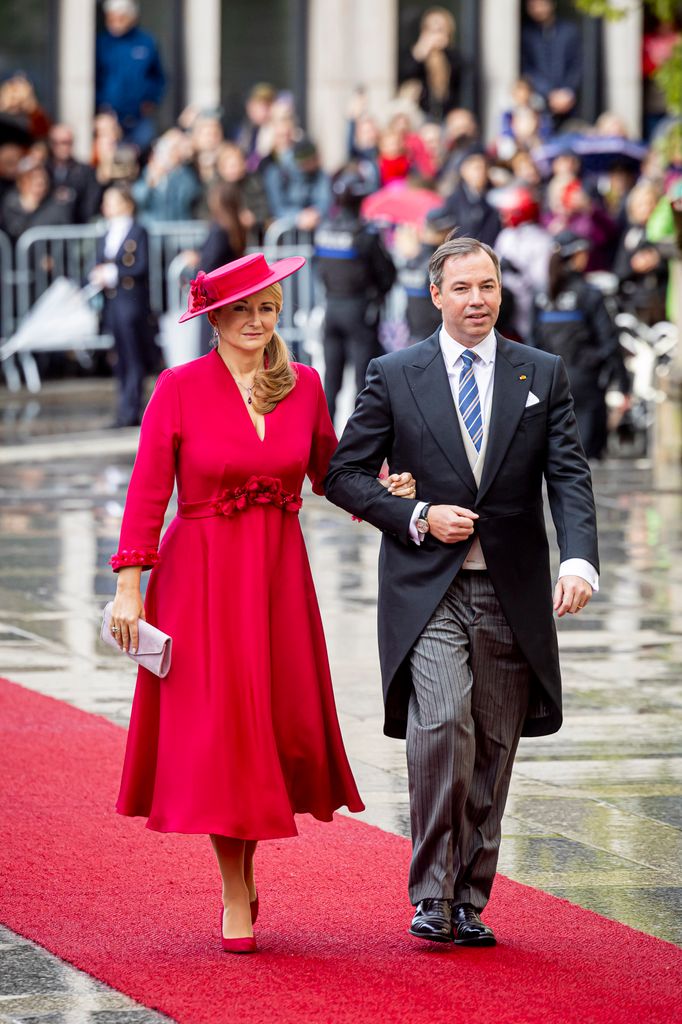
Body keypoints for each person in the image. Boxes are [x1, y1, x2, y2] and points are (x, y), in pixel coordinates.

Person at [107, 252, 417, 953]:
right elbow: (148, 491)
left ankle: (244, 871)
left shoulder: (303, 385)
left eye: (267, 309)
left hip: (278, 576)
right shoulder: (178, 387)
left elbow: (333, 473)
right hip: (200, 579)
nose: (255, 322)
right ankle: (233, 888)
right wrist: (130, 585)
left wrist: (384, 494)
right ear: (214, 317)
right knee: (223, 735)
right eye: (241, 310)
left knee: (267, 728)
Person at [325, 234, 599, 947]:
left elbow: (567, 475)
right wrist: (414, 514)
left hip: (512, 590)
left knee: (494, 747)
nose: (478, 301)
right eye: (464, 289)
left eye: (489, 287)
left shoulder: (540, 372)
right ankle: (430, 892)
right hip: (429, 590)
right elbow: (343, 474)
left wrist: (579, 562)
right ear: (436, 296)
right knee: (444, 725)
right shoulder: (396, 372)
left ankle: (468, 899)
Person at [531, 230, 631, 460]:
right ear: (577, 256)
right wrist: (623, 385)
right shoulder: (589, 294)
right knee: (588, 459)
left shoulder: (542, 296)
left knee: (558, 458)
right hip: (587, 383)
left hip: (551, 383)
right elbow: (610, 343)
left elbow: (533, 344)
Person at [314, 165, 396, 423]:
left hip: (332, 307)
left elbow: (319, 270)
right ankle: (357, 446)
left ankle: (322, 449)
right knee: (363, 381)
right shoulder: (365, 234)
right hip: (359, 310)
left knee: (332, 379)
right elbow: (387, 274)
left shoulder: (324, 229)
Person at [89, 184, 156, 427]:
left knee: (133, 354)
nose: (106, 206)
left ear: (126, 204)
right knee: (119, 356)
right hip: (113, 302)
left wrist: (114, 272)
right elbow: (98, 261)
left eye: (112, 201)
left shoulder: (138, 231)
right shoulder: (107, 232)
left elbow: (141, 266)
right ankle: (123, 408)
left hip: (131, 300)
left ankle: (132, 409)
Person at [96, 0, 166, 151]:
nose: (115, 23)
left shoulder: (146, 42)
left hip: (138, 116)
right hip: (111, 116)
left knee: (143, 149)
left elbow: (158, 77)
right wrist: (101, 106)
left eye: (120, 18)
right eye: (111, 18)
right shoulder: (102, 43)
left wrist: (152, 100)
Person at [521, 0, 582, 125]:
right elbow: (527, 67)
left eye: (541, 4)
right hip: (539, 101)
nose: (538, 9)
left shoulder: (569, 31)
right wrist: (549, 93)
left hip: (569, 103)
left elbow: (577, 65)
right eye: (533, 6)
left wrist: (567, 91)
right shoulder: (526, 34)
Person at [399, 6, 462, 120]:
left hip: (446, 116)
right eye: (432, 30)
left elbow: (460, 86)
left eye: (440, 30)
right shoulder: (415, 55)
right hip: (418, 116)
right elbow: (406, 76)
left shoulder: (454, 57)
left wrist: (444, 52)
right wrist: (421, 51)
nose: (436, 35)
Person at [46, 123, 102, 224]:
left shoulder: (86, 171)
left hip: (76, 229)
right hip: (47, 231)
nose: (61, 147)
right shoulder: (43, 170)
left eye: (66, 142)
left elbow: (91, 204)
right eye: (56, 142)